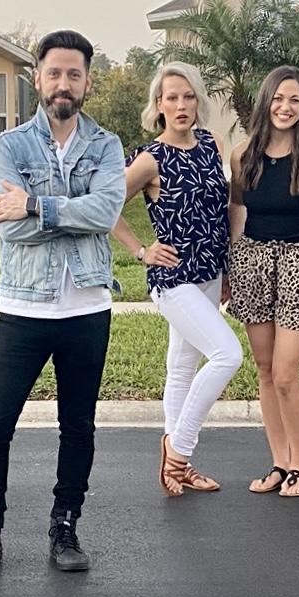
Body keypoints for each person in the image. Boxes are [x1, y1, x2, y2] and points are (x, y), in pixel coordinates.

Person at [0, 30, 125, 578]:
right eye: (54, 73)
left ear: (87, 82)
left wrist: (36, 205)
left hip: (87, 307)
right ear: (37, 79)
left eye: (74, 74)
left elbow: (106, 213)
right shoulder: (9, 146)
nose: (63, 83)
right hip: (25, 307)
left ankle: (65, 526)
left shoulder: (107, 146)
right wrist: (65, 209)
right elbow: (9, 228)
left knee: (78, 426)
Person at [111, 62, 243, 498]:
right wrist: (140, 250)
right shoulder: (150, 158)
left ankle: (178, 470)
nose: (181, 105)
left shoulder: (211, 143)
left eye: (188, 96)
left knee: (182, 366)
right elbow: (105, 207)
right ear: (159, 105)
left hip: (211, 272)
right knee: (227, 355)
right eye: (172, 98)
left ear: (198, 100)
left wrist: (227, 268)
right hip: (173, 278)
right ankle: (178, 449)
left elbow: (221, 211)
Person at [227, 67, 299, 498]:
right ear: (265, 102)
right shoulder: (243, 154)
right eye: (278, 98)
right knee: (264, 369)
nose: (285, 107)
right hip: (253, 261)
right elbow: (237, 207)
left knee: (286, 373)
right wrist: (235, 258)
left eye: (294, 99)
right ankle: (279, 462)